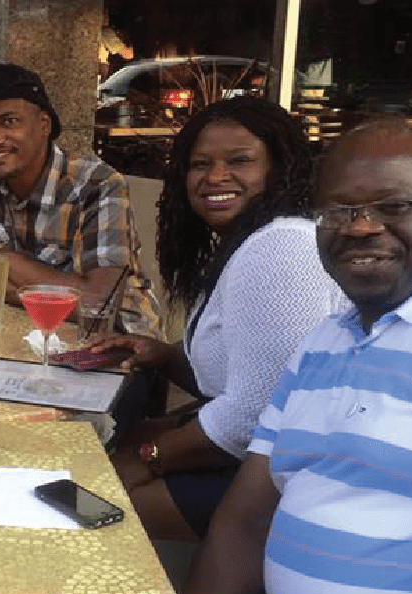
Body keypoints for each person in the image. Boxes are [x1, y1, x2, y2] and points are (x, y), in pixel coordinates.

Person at [182, 119, 412, 594]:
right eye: (339, 210)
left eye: (393, 207)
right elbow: (245, 522)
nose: (360, 226)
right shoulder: (325, 342)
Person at [90, 96, 345, 541]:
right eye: (200, 164)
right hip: (250, 461)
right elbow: (236, 379)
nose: (215, 177)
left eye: (240, 161)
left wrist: (147, 456)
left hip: (281, 482)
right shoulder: (250, 242)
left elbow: (256, 412)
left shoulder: (279, 247)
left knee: (93, 509)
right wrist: (164, 356)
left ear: (280, 168)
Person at [0, 62, 161, 336]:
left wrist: (2, 262)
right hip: (22, 333)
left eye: (9, 122)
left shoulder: (97, 184)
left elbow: (99, 303)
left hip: (116, 343)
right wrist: (41, 294)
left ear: (43, 125)